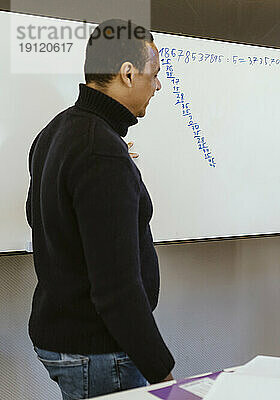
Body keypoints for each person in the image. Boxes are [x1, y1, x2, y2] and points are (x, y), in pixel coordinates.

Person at [26, 19, 174, 399]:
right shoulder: (101, 151)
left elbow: (39, 216)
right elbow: (116, 289)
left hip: (63, 338)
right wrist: (163, 374)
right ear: (127, 73)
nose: (158, 86)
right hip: (98, 352)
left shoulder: (57, 132)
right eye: (154, 74)